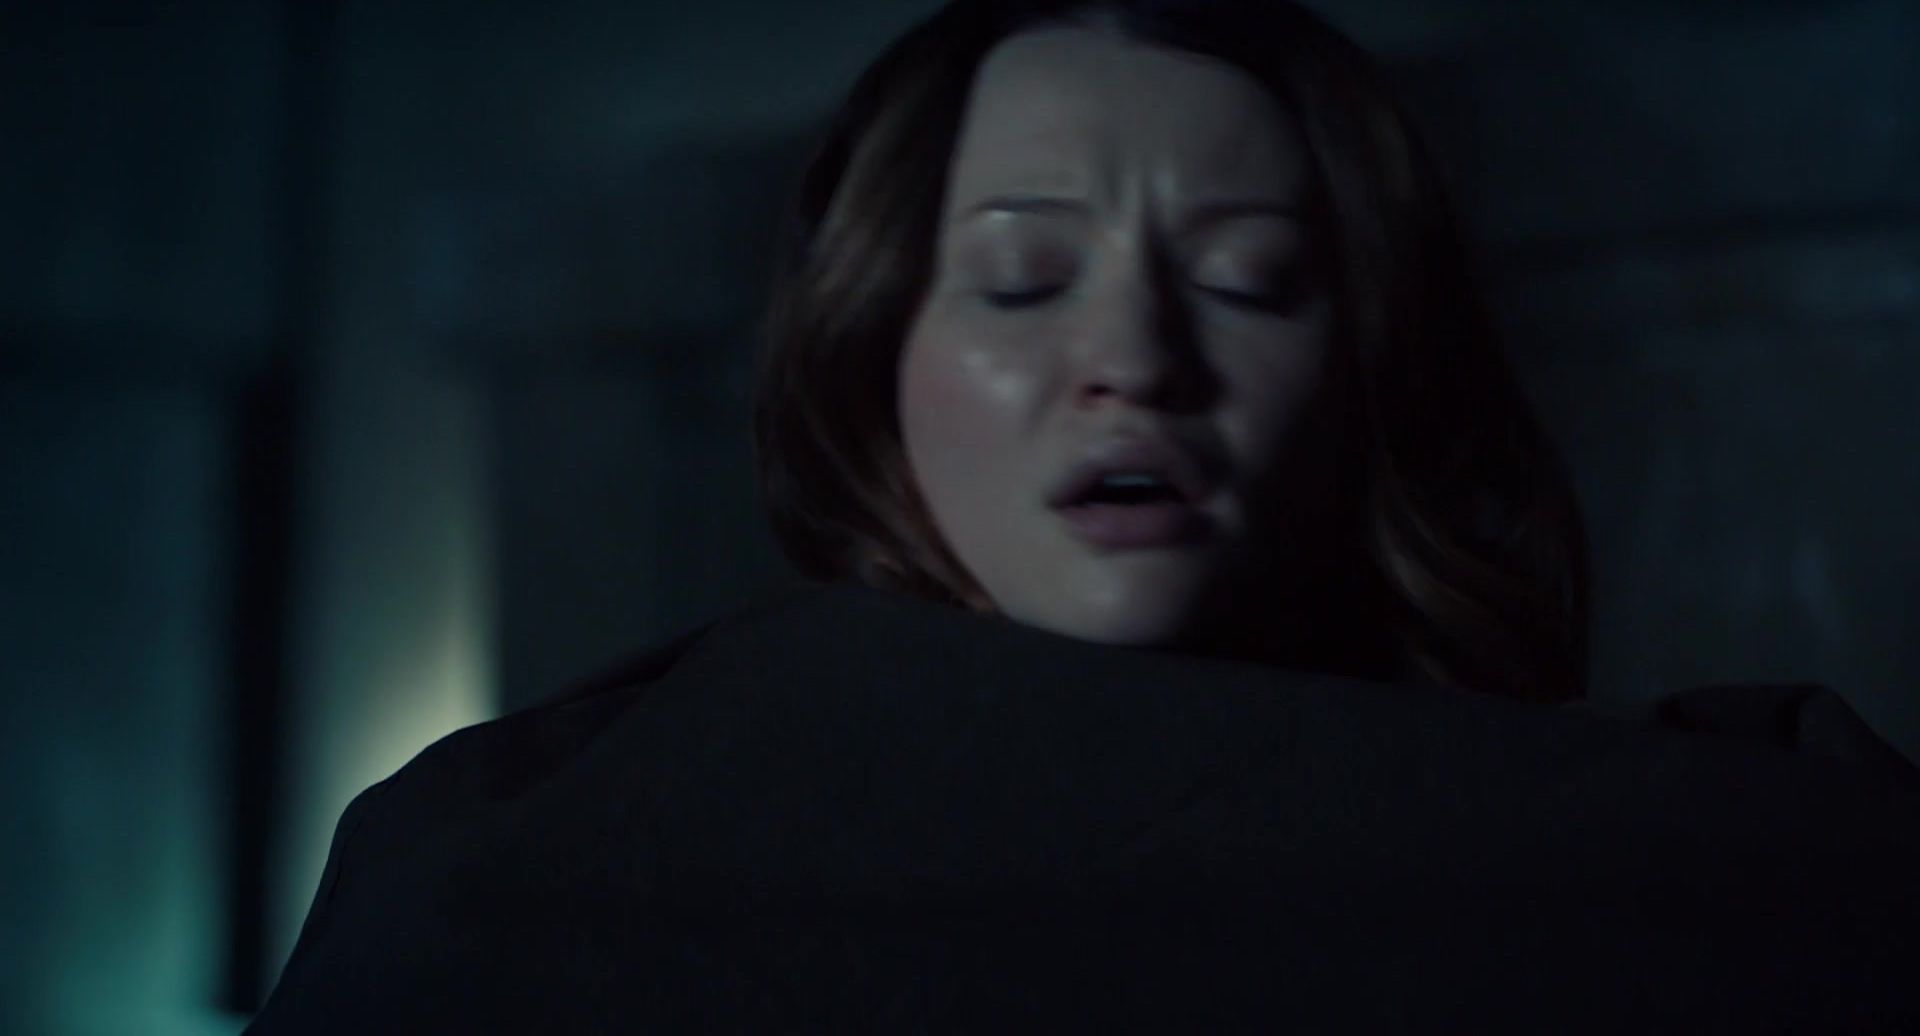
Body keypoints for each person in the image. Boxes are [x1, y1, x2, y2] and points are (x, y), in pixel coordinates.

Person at [247, 1, 1920, 1031]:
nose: (1133, 360)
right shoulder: (508, 857)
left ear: (1371, 360)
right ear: (875, 352)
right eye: (1021, 277)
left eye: (1248, 278)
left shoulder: (1702, 856)